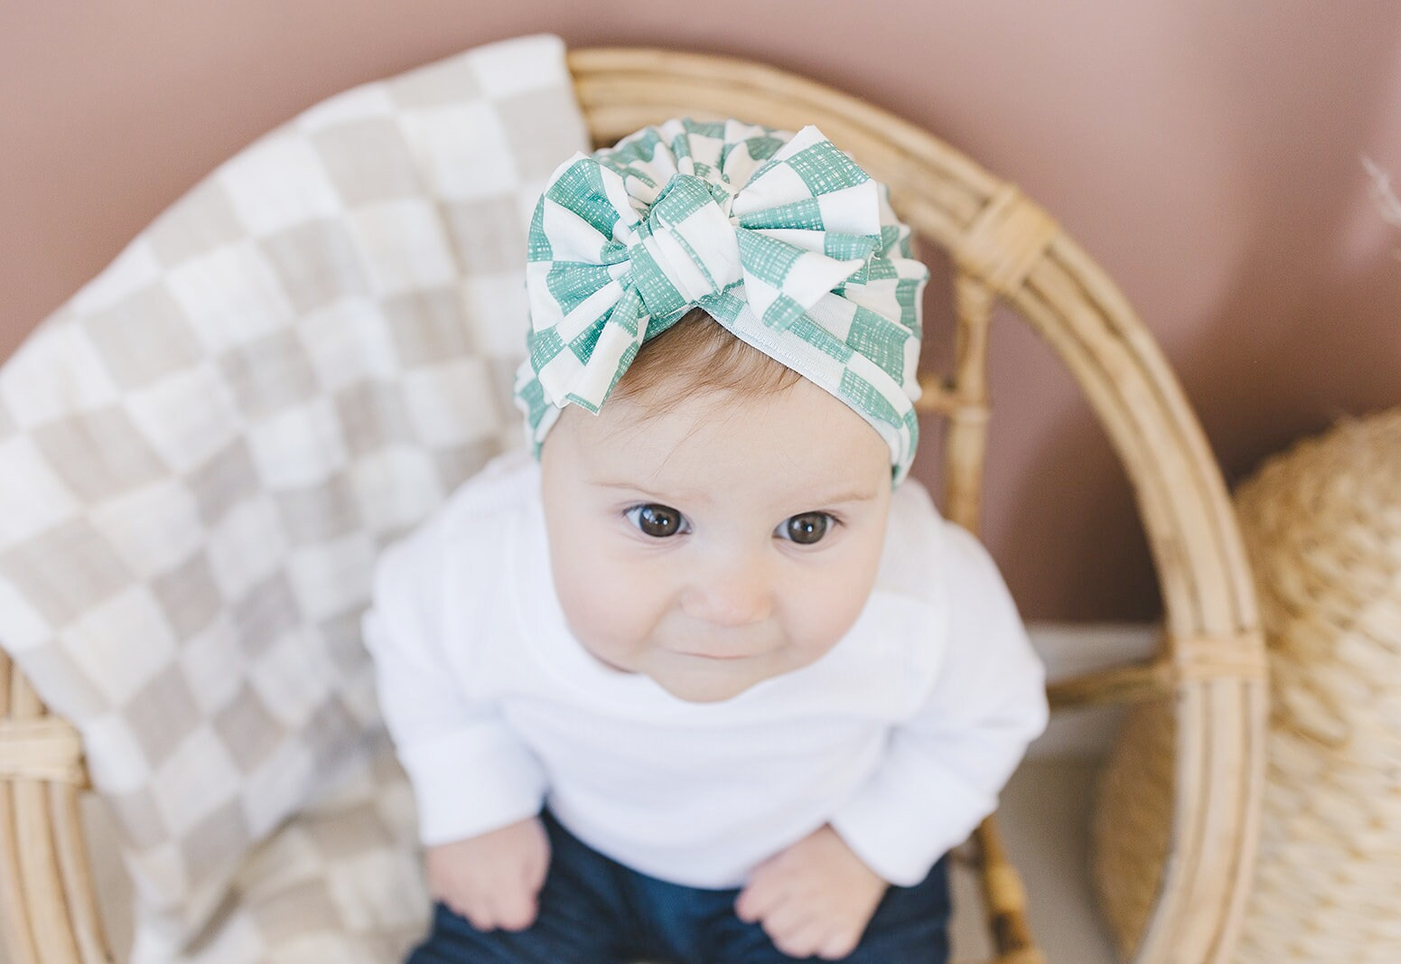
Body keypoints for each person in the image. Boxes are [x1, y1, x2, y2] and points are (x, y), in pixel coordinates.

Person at [363, 118, 1048, 963]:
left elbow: (991, 716)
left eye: (806, 528)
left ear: (887, 483)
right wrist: (476, 804)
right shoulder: (479, 564)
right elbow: (413, 645)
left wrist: (866, 849)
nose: (732, 603)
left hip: (809, 854)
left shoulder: (925, 593)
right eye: (658, 522)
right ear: (541, 475)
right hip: (573, 852)